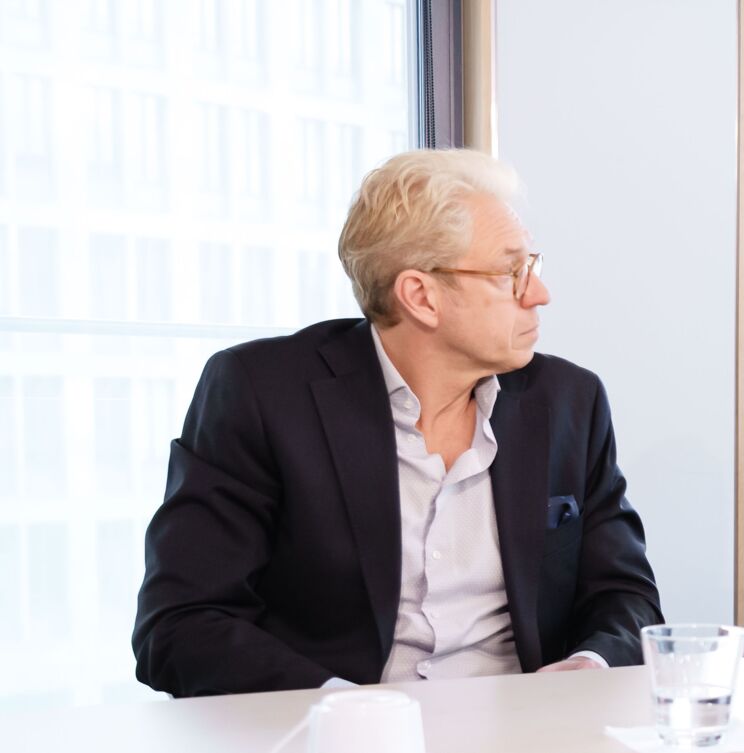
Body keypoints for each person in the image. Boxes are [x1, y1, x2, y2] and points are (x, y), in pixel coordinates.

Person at [133, 149, 662, 696]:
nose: (539, 294)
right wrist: (344, 710)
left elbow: (625, 596)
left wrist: (590, 664)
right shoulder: (260, 393)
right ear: (421, 297)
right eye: (511, 272)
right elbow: (179, 625)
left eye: (532, 266)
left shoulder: (570, 401)